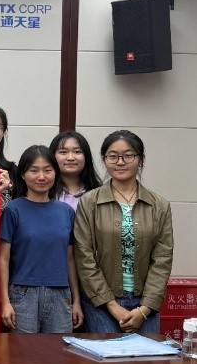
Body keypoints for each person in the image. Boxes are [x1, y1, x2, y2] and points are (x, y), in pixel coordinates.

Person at [74, 130, 173, 334]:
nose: (120, 162)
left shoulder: (159, 206)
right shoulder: (90, 202)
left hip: (145, 303)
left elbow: (162, 260)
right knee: (107, 354)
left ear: (141, 159)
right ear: (104, 160)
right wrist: (112, 305)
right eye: (113, 156)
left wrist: (144, 309)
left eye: (128, 155)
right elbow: (84, 256)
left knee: (145, 355)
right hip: (101, 303)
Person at [0, 145, 83, 333]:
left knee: (58, 350)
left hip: (61, 294)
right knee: (23, 350)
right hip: (22, 294)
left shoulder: (66, 212)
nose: (42, 177)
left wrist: (76, 300)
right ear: (22, 174)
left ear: (56, 173)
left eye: (48, 170)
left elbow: (70, 259)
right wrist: (5, 301)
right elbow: (3, 258)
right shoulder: (13, 210)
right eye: (34, 171)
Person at [49, 130, 102, 211]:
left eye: (77, 152)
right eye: (63, 152)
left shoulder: (99, 193)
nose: (70, 158)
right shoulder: (45, 192)